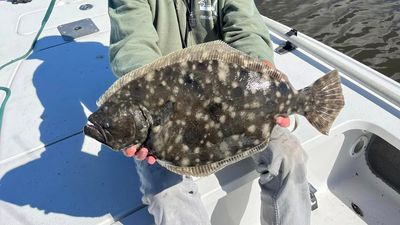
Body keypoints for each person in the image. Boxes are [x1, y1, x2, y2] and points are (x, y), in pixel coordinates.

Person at [108, 0, 311, 224]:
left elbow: (245, 28)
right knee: (167, 195)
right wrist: (157, 98)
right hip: (165, 110)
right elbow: (132, 43)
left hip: (232, 100)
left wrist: (260, 69)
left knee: (289, 155)